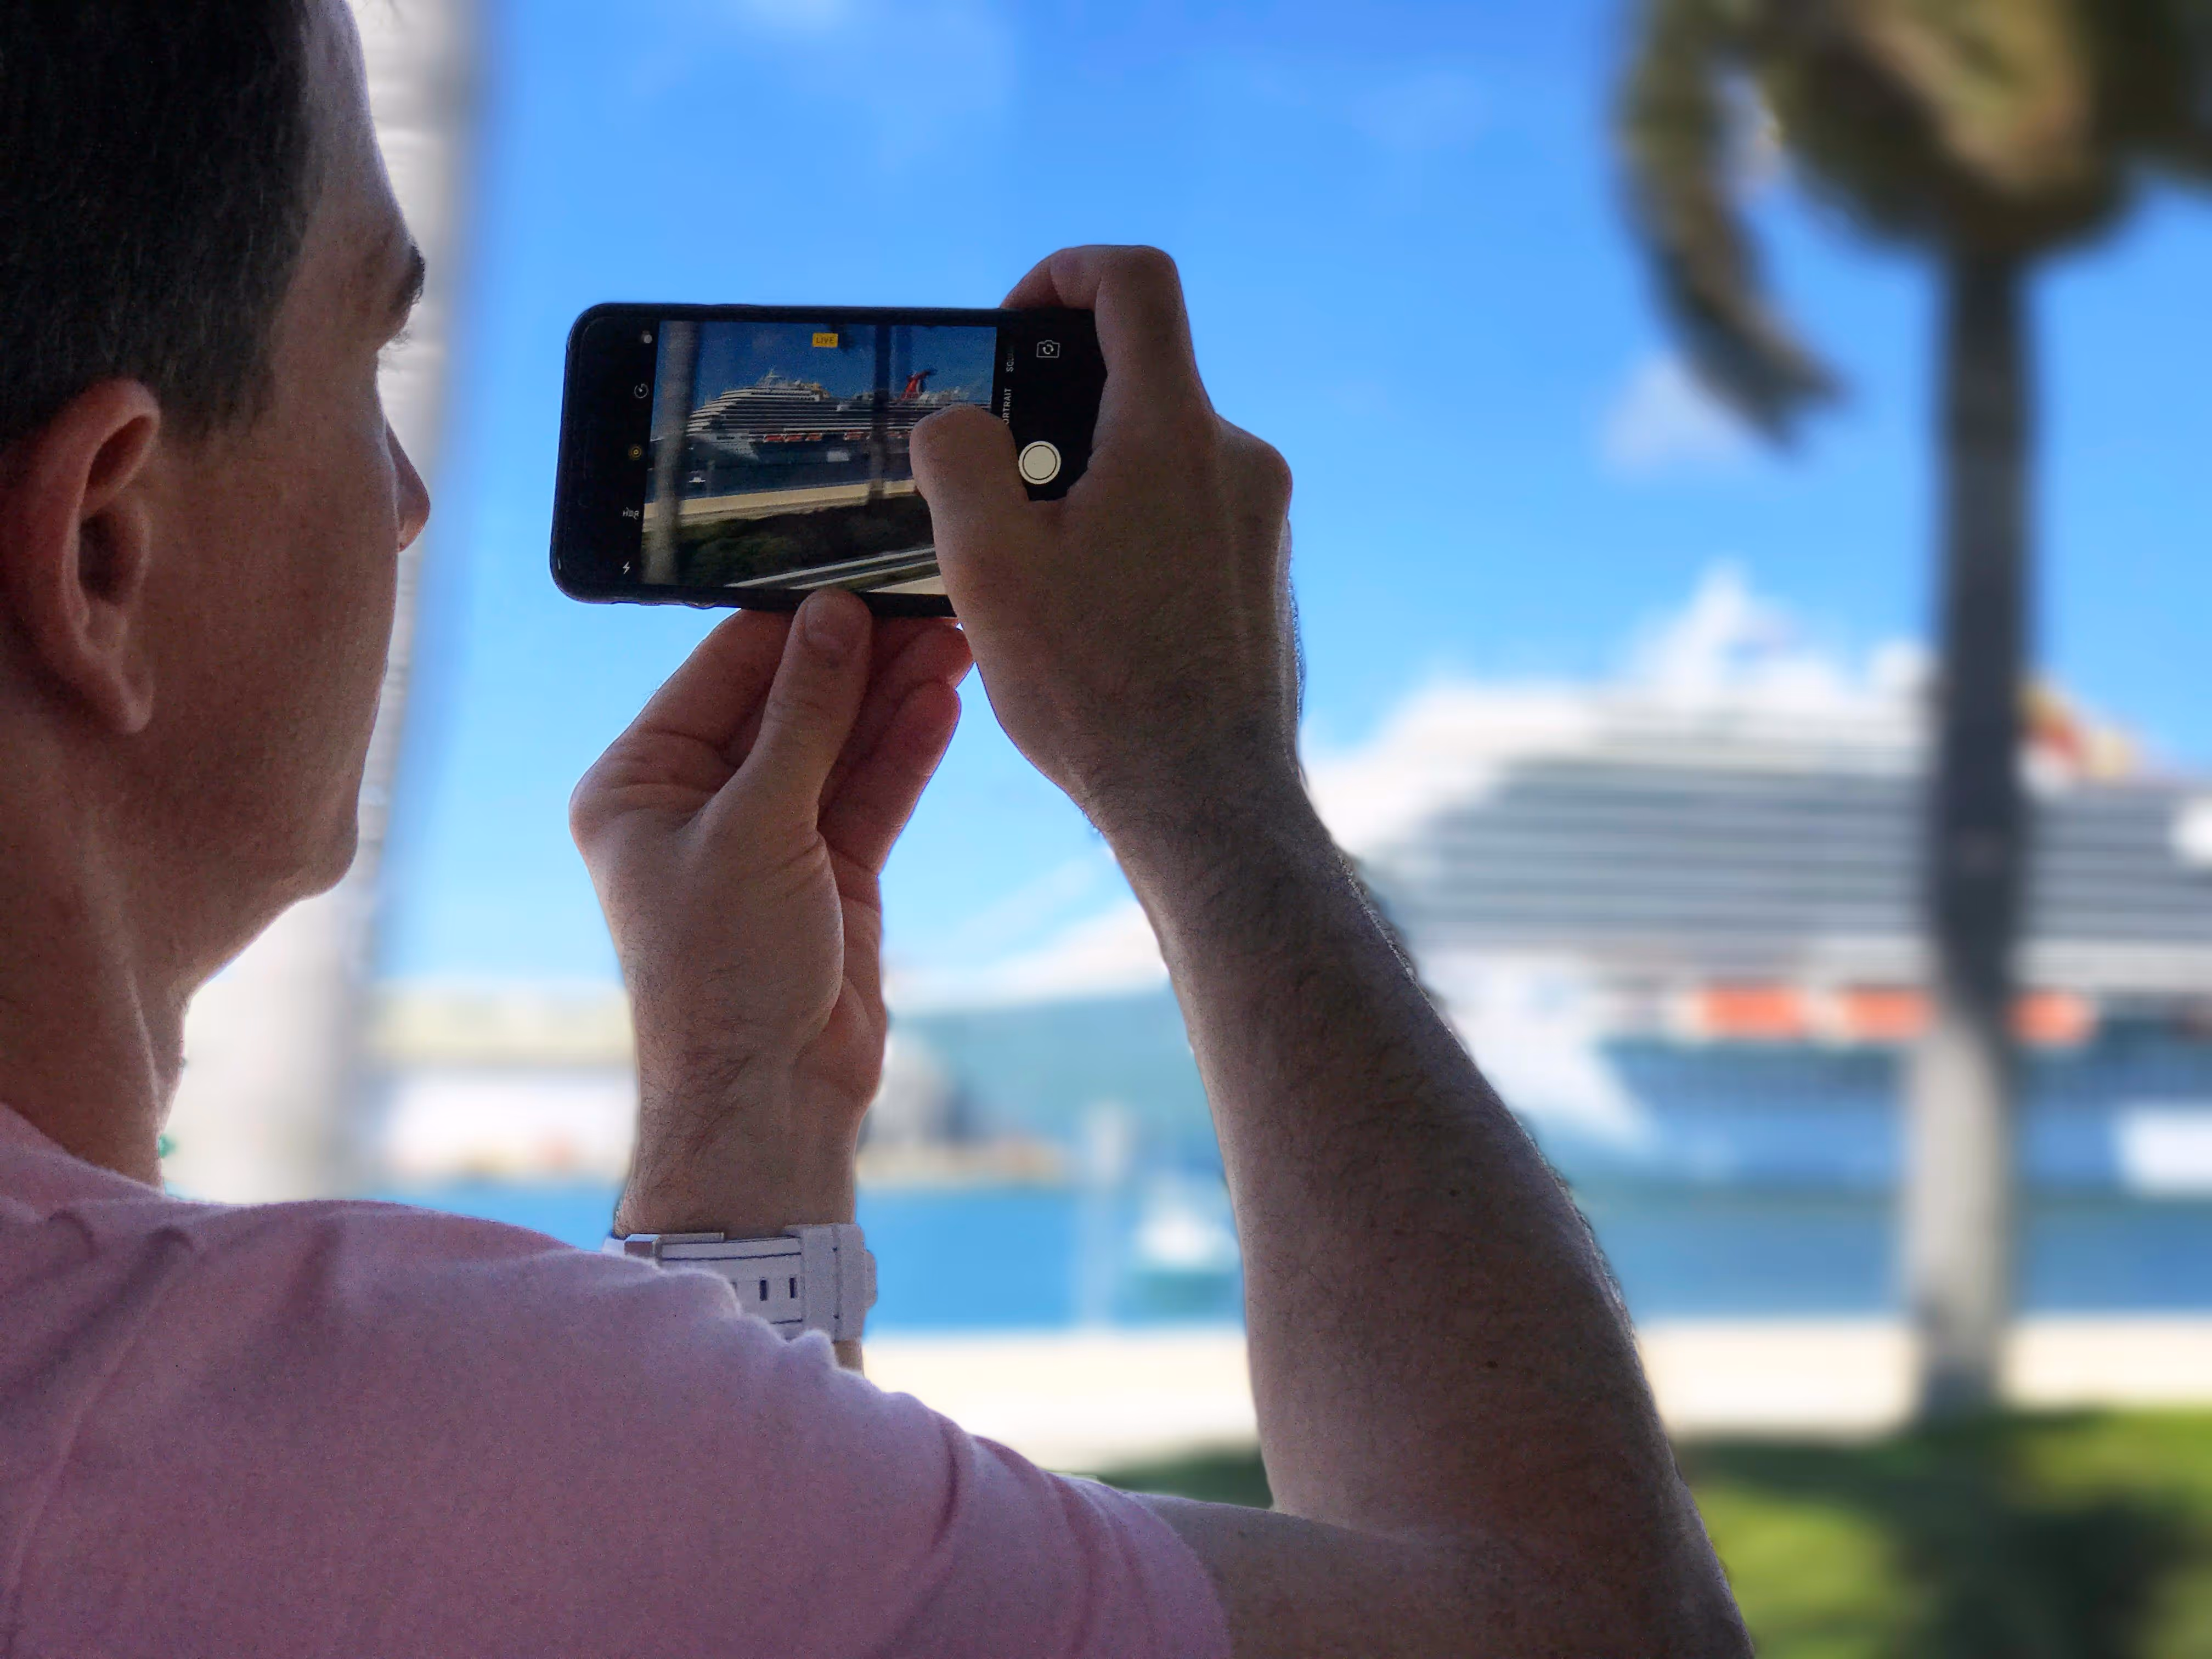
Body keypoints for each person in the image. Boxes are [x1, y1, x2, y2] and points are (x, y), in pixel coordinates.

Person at [0, 2, 1748, 1654]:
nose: (405, 504)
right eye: (368, 360)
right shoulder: (368, 1413)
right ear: (103, 552)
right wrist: (1211, 782)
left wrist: (741, 1095)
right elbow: (1588, 1622)